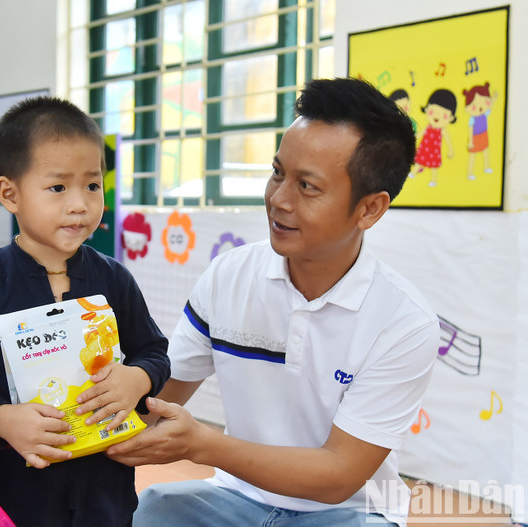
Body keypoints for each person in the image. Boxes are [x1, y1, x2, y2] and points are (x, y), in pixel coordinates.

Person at [106, 77, 440, 527]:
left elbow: (339, 475)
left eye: (307, 186)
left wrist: (202, 444)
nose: (278, 199)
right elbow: (156, 401)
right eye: (278, 172)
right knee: (154, 509)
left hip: (346, 513)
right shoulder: (228, 276)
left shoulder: (404, 322)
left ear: (370, 209)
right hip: (233, 500)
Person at [0, 96, 170, 527]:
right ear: (10, 194)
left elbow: (154, 351)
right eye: (58, 188)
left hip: (103, 492)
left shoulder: (114, 279)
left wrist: (137, 378)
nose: (80, 204)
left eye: (93, 186)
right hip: (11, 493)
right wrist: (2, 419)